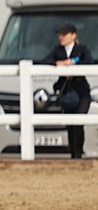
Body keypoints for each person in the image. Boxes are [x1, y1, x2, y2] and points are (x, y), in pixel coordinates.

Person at [40, 23, 93, 159]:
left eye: (64, 34)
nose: (61, 37)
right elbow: (46, 60)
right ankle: (72, 154)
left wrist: (74, 67)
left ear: (73, 35)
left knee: (78, 123)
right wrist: (62, 63)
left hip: (81, 92)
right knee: (70, 124)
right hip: (66, 92)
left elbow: (89, 61)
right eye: (60, 34)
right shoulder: (58, 50)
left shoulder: (81, 49)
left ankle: (78, 154)